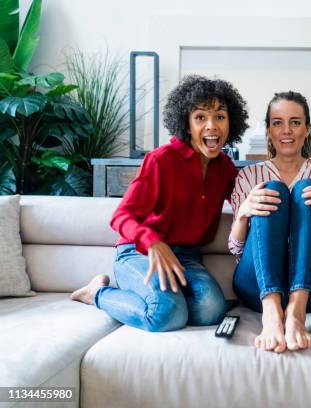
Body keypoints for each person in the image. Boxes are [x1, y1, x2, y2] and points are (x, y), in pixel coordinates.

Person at [71, 75, 249, 332]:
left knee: (211, 310)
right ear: (187, 124)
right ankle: (97, 293)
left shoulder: (224, 168)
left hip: (187, 258)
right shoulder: (161, 160)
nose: (212, 126)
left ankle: (164, 300)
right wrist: (152, 241)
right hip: (139, 252)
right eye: (200, 117)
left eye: (220, 117)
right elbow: (121, 216)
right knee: (167, 315)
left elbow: (246, 201)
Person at [230, 91, 311, 353]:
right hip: (258, 286)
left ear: (307, 129)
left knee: (308, 188)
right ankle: (271, 312)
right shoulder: (249, 176)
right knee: (272, 188)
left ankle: (296, 311)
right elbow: (237, 251)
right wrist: (243, 213)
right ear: (268, 130)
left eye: (295, 122)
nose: (287, 130)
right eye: (277, 122)